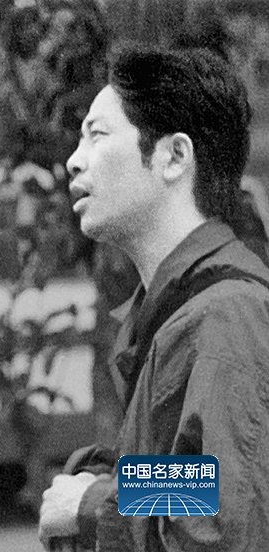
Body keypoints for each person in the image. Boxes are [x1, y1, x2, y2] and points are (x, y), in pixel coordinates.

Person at [38, 44, 269, 550]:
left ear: (174, 157)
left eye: (97, 135)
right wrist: (103, 477)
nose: (74, 161)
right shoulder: (175, 310)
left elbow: (228, 510)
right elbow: (202, 480)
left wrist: (93, 502)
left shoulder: (229, 314)